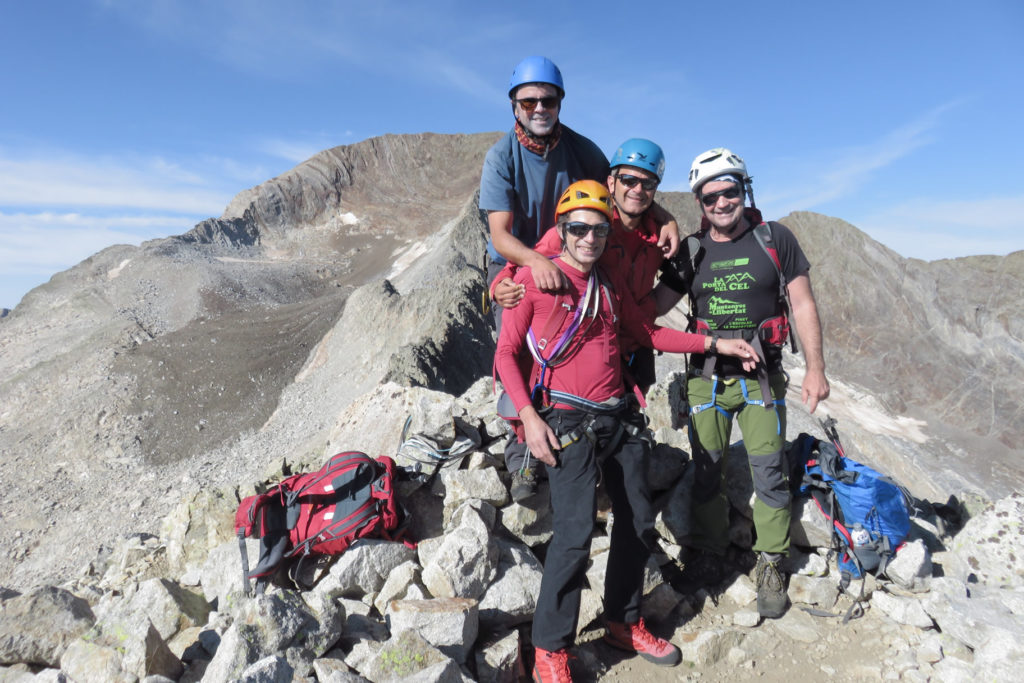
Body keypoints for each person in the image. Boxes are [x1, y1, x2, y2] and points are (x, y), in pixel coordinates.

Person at [495, 180, 757, 682]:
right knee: (572, 536)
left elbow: (649, 332)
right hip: (565, 421)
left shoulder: (609, 288)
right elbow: (506, 354)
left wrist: (716, 345)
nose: (590, 238)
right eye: (579, 229)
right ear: (562, 231)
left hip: (617, 417)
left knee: (637, 523)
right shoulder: (536, 281)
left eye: (598, 230)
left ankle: (622, 621)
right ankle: (550, 648)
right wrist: (528, 418)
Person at [658, 148, 830, 619]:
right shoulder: (692, 251)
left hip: (761, 381)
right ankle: (710, 552)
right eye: (710, 195)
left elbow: (804, 305)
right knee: (706, 471)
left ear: (743, 190)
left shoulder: (775, 239)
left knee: (769, 473)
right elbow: (650, 306)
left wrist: (816, 367)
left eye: (729, 191)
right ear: (699, 201)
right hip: (706, 382)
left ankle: (771, 562)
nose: (721, 202)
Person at [492, 138, 678, 500]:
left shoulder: (658, 237)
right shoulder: (584, 223)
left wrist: (668, 219)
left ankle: (611, 477)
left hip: (626, 339)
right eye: (628, 180)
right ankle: (524, 452)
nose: (637, 190)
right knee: (534, 371)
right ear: (612, 182)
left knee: (624, 428)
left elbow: (667, 289)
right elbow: (532, 258)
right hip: (578, 338)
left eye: (647, 183)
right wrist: (500, 284)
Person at [480, 57, 679, 334]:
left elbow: (623, 187)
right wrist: (534, 262)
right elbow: (500, 236)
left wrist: (664, 217)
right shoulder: (501, 158)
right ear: (514, 106)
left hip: (570, 256)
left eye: (547, 101)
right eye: (528, 102)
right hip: (516, 260)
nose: (539, 109)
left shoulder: (583, 150)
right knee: (514, 339)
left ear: (559, 103)